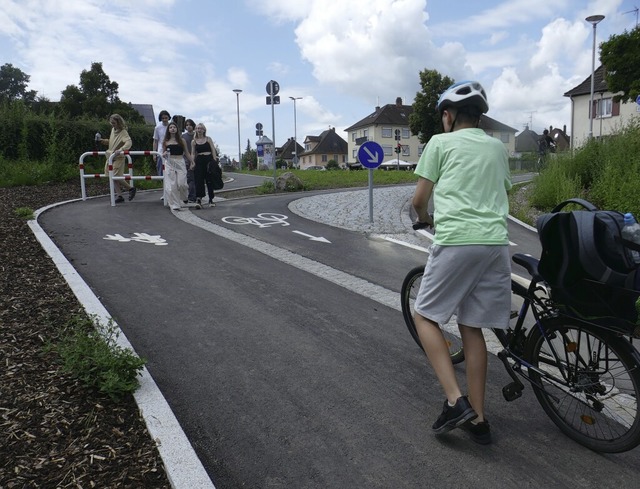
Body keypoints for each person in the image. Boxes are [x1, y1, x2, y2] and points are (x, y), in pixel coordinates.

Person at [411, 80, 511, 445]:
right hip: (496, 245)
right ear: (479, 117)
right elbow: (502, 190)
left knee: (425, 316)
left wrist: (425, 218)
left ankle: (455, 400)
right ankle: (480, 418)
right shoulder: (497, 148)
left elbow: (420, 199)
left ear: (448, 115)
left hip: (457, 242)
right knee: (472, 327)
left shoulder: (440, 143)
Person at [101, 114, 136, 203]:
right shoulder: (113, 130)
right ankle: (119, 195)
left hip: (118, 157)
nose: (112, 125)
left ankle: (131, 188)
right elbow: (112, 142)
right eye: (111, 123)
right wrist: (103, 141)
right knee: (111, 176)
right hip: (110, 156)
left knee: (115, 176)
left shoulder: (123, 132)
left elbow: (128, 143)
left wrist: (120, 150)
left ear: (118, 122)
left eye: (114, 123)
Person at [162, 121, 194, 211]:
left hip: (180, 161)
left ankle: (184, 197)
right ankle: (175, 204)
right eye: (171, 127)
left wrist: (192, 162)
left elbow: (187, 153)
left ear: (177, 129)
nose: (172, 129)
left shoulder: (182, 140)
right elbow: (163, 153)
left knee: (182, 183)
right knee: (172, 184)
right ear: (168, 130)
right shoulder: (166, 141)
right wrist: (164, 153)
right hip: (169, 162)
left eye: (174, 127)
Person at [192, 123, 220, 209]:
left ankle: (211, 199)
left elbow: (213, 150)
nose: (198, 130)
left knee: (209, 180)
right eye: (197, 128)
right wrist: (192, 162)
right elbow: (193, 153)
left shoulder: (208, 139)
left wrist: (214, 161)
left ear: (204, 130)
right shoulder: (194, 141)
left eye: (200, 128)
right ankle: (199, 199)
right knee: (199, 180)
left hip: (208, 159)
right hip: (199, 160)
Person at [182, 119, 197, 203]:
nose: (188, 126)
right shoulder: (183, 136)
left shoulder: (196, 135)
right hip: (185, 159)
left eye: (190, 125)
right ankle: (191, 196)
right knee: (189, 178)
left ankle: (194, 196)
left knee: (195, 179)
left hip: (196, 159)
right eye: (187, 125)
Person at [153, 110, 171, 176]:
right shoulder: (157, 128)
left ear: (168, 117)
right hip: (160, 151)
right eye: (163, 118)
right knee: (160, 169)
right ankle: (162, 183)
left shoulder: (172, 127)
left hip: (171, 150)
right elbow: (155, 141)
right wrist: (154, 154)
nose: (164, 119)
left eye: (166, 118)